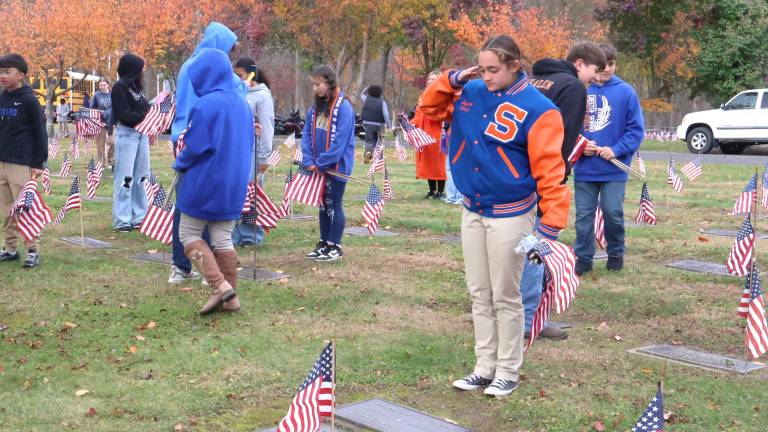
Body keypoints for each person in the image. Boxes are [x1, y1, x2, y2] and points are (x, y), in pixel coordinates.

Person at [419, 35, 570, 397]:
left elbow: (552, 171)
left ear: (515, 65)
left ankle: (508, 369)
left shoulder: (540, 109)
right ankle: (483, 366)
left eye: (494, 70)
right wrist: (452, 79)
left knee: (506, 294)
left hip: (510, 214)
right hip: (473, 209)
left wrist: (549, 226)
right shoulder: (470, 91)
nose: (486, 76)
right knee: (478, 292)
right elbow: (429, 107)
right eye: (482, 69)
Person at [520, 42, 606, 341]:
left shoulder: (533, 80)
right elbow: (563, 138)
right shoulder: (572, 87)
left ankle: (505, 315)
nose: (596, 79)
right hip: (543, 180)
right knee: (536, 250)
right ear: (580, 63)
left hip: (515, 175)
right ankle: (530, 321)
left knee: (515, 249)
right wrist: (559, 177)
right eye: (595, 71)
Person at [174, 48, 253, 315]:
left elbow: (196, 146)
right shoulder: (242, 103)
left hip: (207, 181)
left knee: (188, 233)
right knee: (222, 236)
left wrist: (180, 162)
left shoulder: (206, 105)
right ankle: (230, 298)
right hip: (234, 183)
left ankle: (219, 286)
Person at [167, 22, 244, 284]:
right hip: (209, 141)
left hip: (189, 139)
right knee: (201, 211)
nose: (231, 57)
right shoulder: (225, 80)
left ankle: (187, 269)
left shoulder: (188, 67)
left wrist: (180, 160)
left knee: (188, 207)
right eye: (230, 51)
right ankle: (217, 279)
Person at [573, 43, 644, 275]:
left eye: (611, 64)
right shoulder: (580, 89)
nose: (606, 69)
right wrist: (581, 145)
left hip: (614, 169)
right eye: (602, 65)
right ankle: (583, 257)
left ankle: (615, 253)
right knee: (583, 215)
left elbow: (635, 131)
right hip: (585, 168)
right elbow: (567, 126)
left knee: (612, 211)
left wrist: (615, 149)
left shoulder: (626, 92)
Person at [302, 65, 355, 262]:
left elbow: (339, 143)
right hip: (317, 165)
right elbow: (307, 134)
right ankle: (324, 242)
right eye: (313, 84)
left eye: (318, 84)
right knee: (323, 205)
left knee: (334, 203)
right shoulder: (315, 109)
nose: (315, 88)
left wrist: (322, 162)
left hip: (336, 166)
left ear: (329, 83)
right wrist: (309, 160)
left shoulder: (344, 108)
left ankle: (335, 245)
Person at [0, 53, 48, 268]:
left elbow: (40, 133)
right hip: (2, 162)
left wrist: (39, 162)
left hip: (21, 163)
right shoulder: (2, 97)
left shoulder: (29, 100)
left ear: (20, 75)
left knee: (24, 209)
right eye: (0, 71)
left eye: (7, 72)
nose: (2, 76)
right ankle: (10, 249)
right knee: (6, 210)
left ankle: (32, 250)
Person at [231, 58, 275, 247]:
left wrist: (264, 157)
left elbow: (267, 127)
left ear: (251, 74)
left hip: (253, 152)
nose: (237, 79)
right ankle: (233, 233)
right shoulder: (237, 93)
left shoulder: (262, 96)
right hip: (236, 150)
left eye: (240, 75)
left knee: (252, 195)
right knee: (236, 193)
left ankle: (250, 235)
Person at [110, 53, 150, 232]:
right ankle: (122, 219)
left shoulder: (137, 87)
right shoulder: (119, 87)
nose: (142, 72)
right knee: (125, 178)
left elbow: (144, 107)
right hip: (127, 135)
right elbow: (124, 114)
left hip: (142, 135)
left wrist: (152, 112)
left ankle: (139, 216)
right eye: (140, 68)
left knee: (141, 176)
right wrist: (145, 116)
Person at [413, 70, 447, 199]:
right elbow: (418, 114)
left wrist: (430, 111)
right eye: (429, 79)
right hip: (423, 134)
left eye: (434, 79)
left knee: (438, 163)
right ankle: (432, 191)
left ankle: (441, 191)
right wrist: (411, 125)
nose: (430, 81)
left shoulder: (443, 97)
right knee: (427, 163)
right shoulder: (423, 97)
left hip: (436, 133)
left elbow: (443, 116)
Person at [360, 84, 392, 163]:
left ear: (370, 92)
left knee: (369, 140)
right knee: (380, 141)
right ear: (380, 93)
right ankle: (379, 159)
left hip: (367, 123)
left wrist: (367, 87)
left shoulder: (366, 99)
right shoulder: (382, 102)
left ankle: (368, 153)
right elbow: (385, 114)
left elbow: (362, 94)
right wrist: (389, 125)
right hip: (379, 124)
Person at [91, 79, 114, 167]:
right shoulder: (96, 95)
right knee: (100, 144)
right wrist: (97, 113)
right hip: (100, 122)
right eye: (100, 85)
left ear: (108, 85)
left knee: (113, 142)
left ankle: (110, 161)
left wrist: (106, 113)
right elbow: (92, 108)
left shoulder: (113, 94)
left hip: (112, 122)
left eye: (104, 85)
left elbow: (116, 107)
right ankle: (101, 163)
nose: (102, 87)